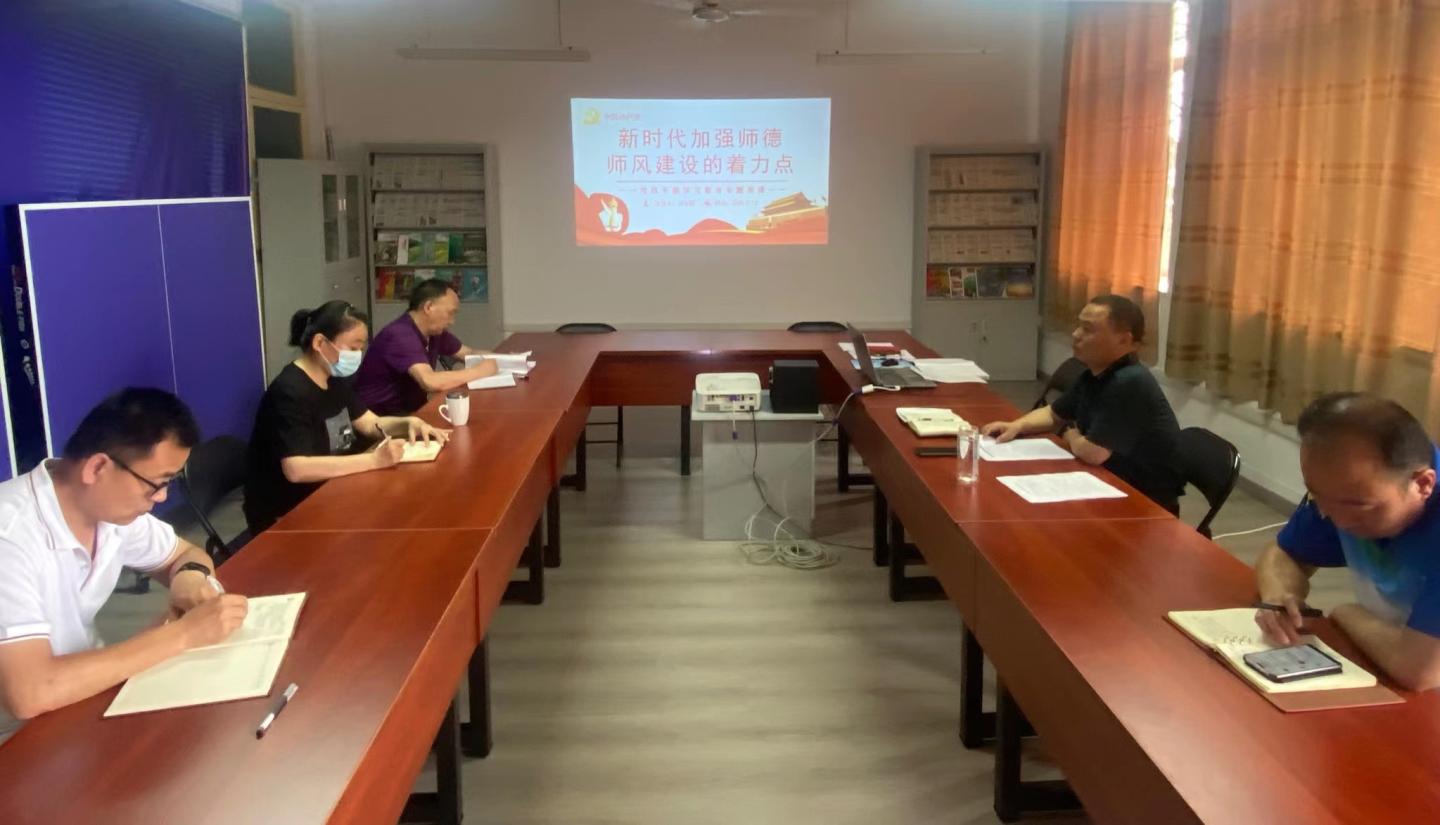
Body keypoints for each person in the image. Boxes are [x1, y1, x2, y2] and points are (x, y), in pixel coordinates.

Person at [0, 389, 249, 744]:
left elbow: (185, 554)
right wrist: (183, 635)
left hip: (82, 695)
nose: (161, 498)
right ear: (97, 467)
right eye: (156, 484)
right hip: (17, 735)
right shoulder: (10, 536)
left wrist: (189, 578)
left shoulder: (108, 510)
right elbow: (30, 693)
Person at [1254, 393, 1440, 691]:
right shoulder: (1342, 492)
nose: (1335, 519)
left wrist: (1347, 612)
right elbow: (1283, 553)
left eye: (1356, 505)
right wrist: (1280, 596)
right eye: (1317, 495)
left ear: (1423, 484)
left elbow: (1419, 671)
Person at [243, 300, 450, 533]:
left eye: (360, 348)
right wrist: (374, 460)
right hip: (289, 511)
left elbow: (369, 423)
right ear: (320, 343)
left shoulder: (332, 378)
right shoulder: (290, 392)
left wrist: (408, 423)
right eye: (352, 348)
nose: (357, 355)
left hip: (333, 488)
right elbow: (297, 469)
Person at [981, 294, 1184, 512]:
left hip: (1143, 504)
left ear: (1124, 340)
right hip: (1104, 483)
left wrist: (1068, 432)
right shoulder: (1095, 373)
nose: (1076, 334)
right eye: (1078, 326)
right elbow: (1054, 413)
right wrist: (1017, 426)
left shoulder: (1130, 381)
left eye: (1088, 329)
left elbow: (1093, 453)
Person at [352, 280, 497, 416]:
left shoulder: (433, 331)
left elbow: (468, 353)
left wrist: (503, 358)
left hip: (413, 412)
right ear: (428, 307)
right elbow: (430, 381)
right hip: (383, 420)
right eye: (450, 313)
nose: (452, 321)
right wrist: (479, 371)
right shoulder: (400, 334)